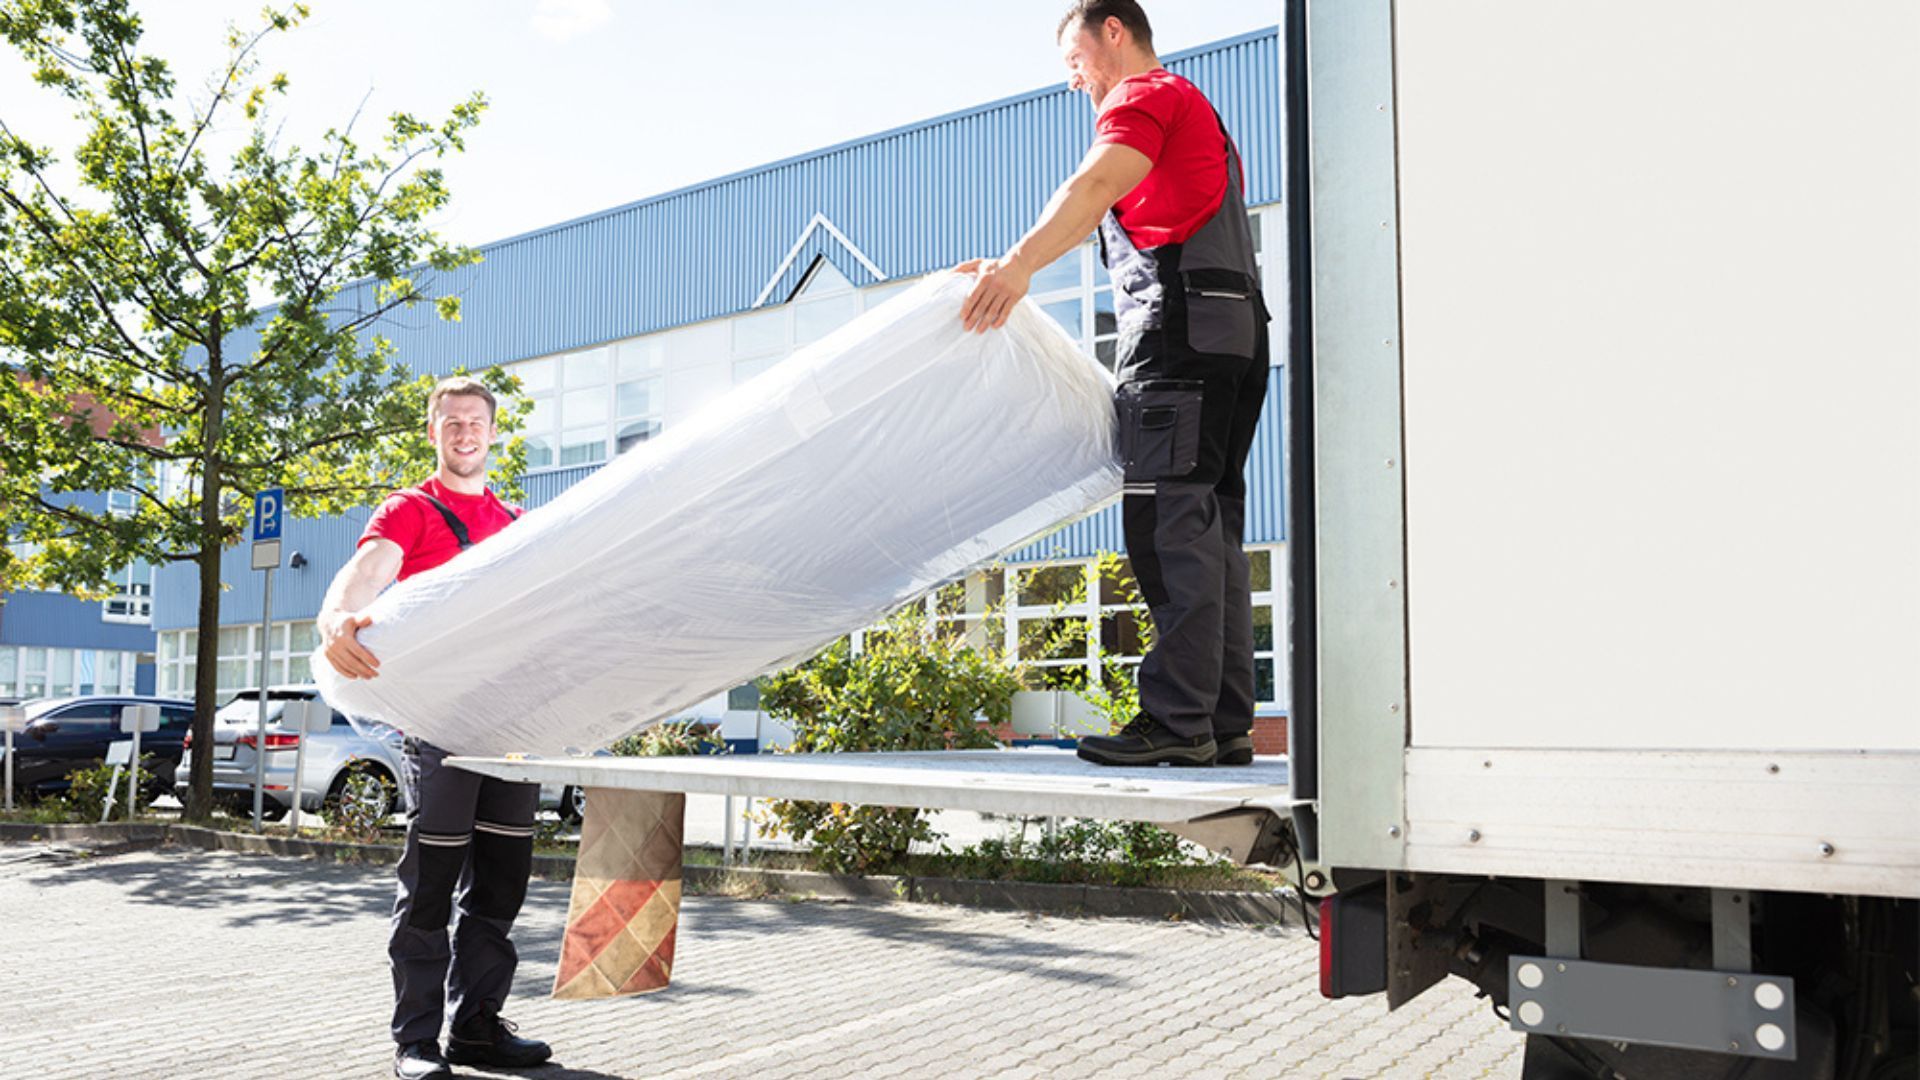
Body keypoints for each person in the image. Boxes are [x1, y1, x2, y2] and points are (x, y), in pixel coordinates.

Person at [960, 0, 1269, 768]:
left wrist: (1019, 266)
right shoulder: (1198, 113)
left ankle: (1175, 721)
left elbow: (1095, 184)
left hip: (1178, 338)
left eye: (1075, 59)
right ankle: (1222, 722)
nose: (1074, 81)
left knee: (1168, 526)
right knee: (1210, 529)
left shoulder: (1144, 96)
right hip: (1232, 335)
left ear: (1114, 32)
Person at [318, 376, 552, 1080]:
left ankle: (477, 1027)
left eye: (475, 421)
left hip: (512, 728)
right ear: (433, 432)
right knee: (430, 887)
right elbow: (363, 577)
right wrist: (336, 619)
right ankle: (416, 1042)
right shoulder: (411, 512)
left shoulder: (515, 523)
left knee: (500, 887)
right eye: (450, 422)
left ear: (492, 431)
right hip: (441, 730)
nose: (463, 433)